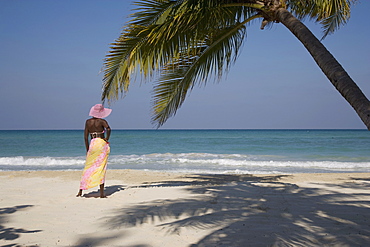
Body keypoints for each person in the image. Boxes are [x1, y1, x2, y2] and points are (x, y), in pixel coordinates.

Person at [76, 104, 112, 198]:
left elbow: (85, 136)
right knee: (101, 167)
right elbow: (108, 129)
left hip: (92, 143)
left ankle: (80, 191)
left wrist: (87, 149)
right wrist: (106, 138)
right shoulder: (102, 121)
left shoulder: (88, 122)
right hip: (100, 143)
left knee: (88, 166)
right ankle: (101, 194)